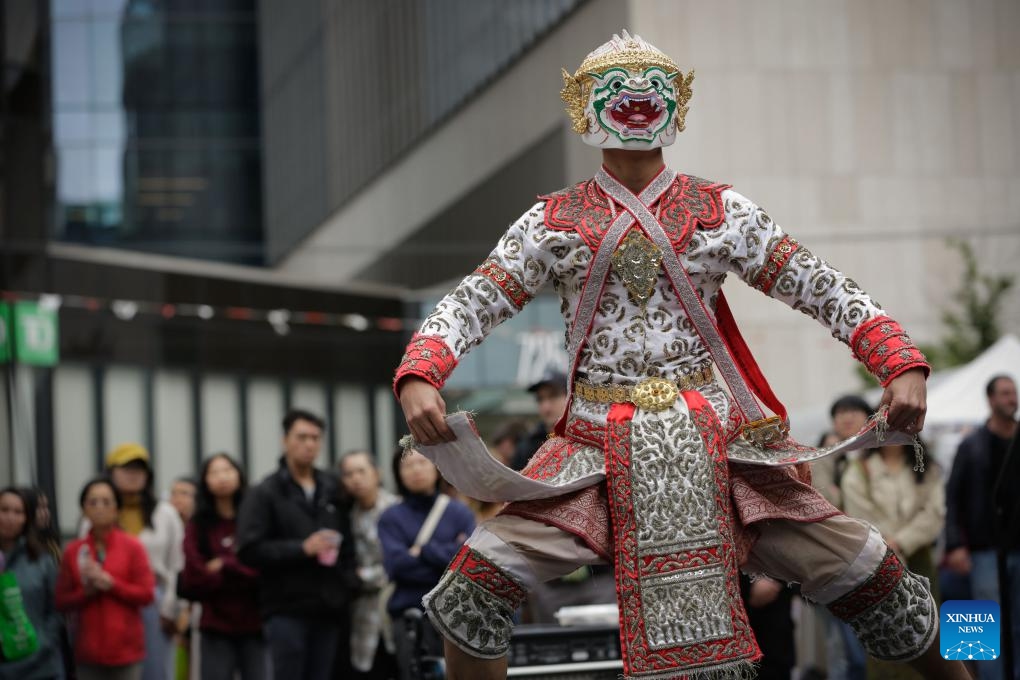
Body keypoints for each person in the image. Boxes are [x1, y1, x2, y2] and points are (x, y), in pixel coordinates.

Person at [394, 30, 967, 680]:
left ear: (678, 104)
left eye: (652, 87)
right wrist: (421, 371)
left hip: (719, 445)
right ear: (584, 106)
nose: (637, 100)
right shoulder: (551, 221)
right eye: (619, 88)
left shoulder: (721, 210)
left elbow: (820, 285)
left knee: (877, 576)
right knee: (474, 588)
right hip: (590, 452)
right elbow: (475, 301)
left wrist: (899, 359)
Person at [236, 409, 357, 680]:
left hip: (329, 606)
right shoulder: (264, 492)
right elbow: (248, 549)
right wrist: (301, 548)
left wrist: (349, 581)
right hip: (285, 607)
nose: (309, 444)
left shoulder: (332, 487)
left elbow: (348, 542)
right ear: (285, 440)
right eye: (302, 437)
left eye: (315, 438)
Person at [842, 440, 945, 680]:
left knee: (929, 634)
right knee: (884, 637)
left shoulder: (925, 466)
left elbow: (934, 514)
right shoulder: (860, 470)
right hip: (877, 565)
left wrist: (901, 542)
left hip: (919, 559)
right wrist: (889, 544)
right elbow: (860, 518)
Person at [945, 374, 1019, 680]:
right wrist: (953, 545)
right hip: (984, 549)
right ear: (990, 399)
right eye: (1004, 393)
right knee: (983, 627)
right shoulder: (971, 445)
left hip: (1019, 546)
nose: (1011, 398)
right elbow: (953, 497)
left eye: (1013, 393)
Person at [377, 448, 475, 680]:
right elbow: (397, 566)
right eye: (407, 465)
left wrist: (423, 552)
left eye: (422, 462)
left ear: (436, 468)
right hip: (410, 617)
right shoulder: (390, 517)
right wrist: (448, 553)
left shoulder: (459, 512)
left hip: (456, 617)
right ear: (398, 473)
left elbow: (469, 562)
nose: (416, 469)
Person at [99, 443, 184, 680]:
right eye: (126, 468)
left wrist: (172, 607)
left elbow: (178, 565)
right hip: (109, 600)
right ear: (111, 472)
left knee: (157, 672)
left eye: (139, 468)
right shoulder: (99, 510)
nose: (134, 474)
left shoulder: (165, 513)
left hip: (155, 603)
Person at [56, 479, 155, 680]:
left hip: (126, 649)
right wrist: (86, 593)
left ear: (117, 508)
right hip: (87, 651)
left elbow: (146, 594)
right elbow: (61, 600)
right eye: (92, 502)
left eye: (106, 502)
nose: (99, 508)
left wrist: (112, 584)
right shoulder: (74, 550)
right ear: (83, 509)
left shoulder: (132, 547)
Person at [179, 454, 264, 680]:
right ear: (205, 481)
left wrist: (225, 564)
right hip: (215, 624)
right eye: (214, 472)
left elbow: (262, 569)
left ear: (239, 474)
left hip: (255, 623)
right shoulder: (198, 525)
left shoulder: (256, 519)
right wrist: (239, 569)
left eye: (227, 470)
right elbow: (194, 576)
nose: (222, 477)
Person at [814, 395, 874, 680]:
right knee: (846, 654)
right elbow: (825, 502)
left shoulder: (881, 455)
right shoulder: (824, 459)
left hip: (886, 554)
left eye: (854, 411)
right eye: (840, 413)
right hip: (836, 565)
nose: (846, 417)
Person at [337, 450, 399, 680]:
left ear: (377, 473)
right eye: (348, 474)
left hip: (395, 603)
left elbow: (399, 565)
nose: (355, 478)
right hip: (362, 613)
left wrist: (361, 577)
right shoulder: (346, 515)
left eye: (361, 471)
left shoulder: (395, 509)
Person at [0, 487, 62, 680]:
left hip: (39, 666)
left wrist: (39, 645)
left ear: (27, 518)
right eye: (4, 510)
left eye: (18, 512)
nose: (10, 517)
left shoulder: (43, 560)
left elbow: (56, 612)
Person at [510, 369, 568, 471]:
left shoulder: (585, 440)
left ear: (569, 397)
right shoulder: (526, 447)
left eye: (553, 396)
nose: (546, 407)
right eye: (540, 399)